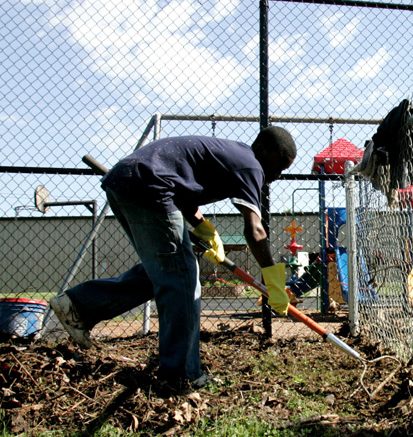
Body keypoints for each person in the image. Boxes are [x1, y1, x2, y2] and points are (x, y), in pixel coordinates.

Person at [50, 126, 296, 394]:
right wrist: (272, 279)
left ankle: (79, 306)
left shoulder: (232, 155)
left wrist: (204, 227)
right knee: (183, 282)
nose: (278, 175)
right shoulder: (251, 166)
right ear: (265, 151)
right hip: (148, 187)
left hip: (128, 181)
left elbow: (183, 190)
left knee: (166, 272)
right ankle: (182, 376)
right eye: (280, 165)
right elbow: (255, 230)